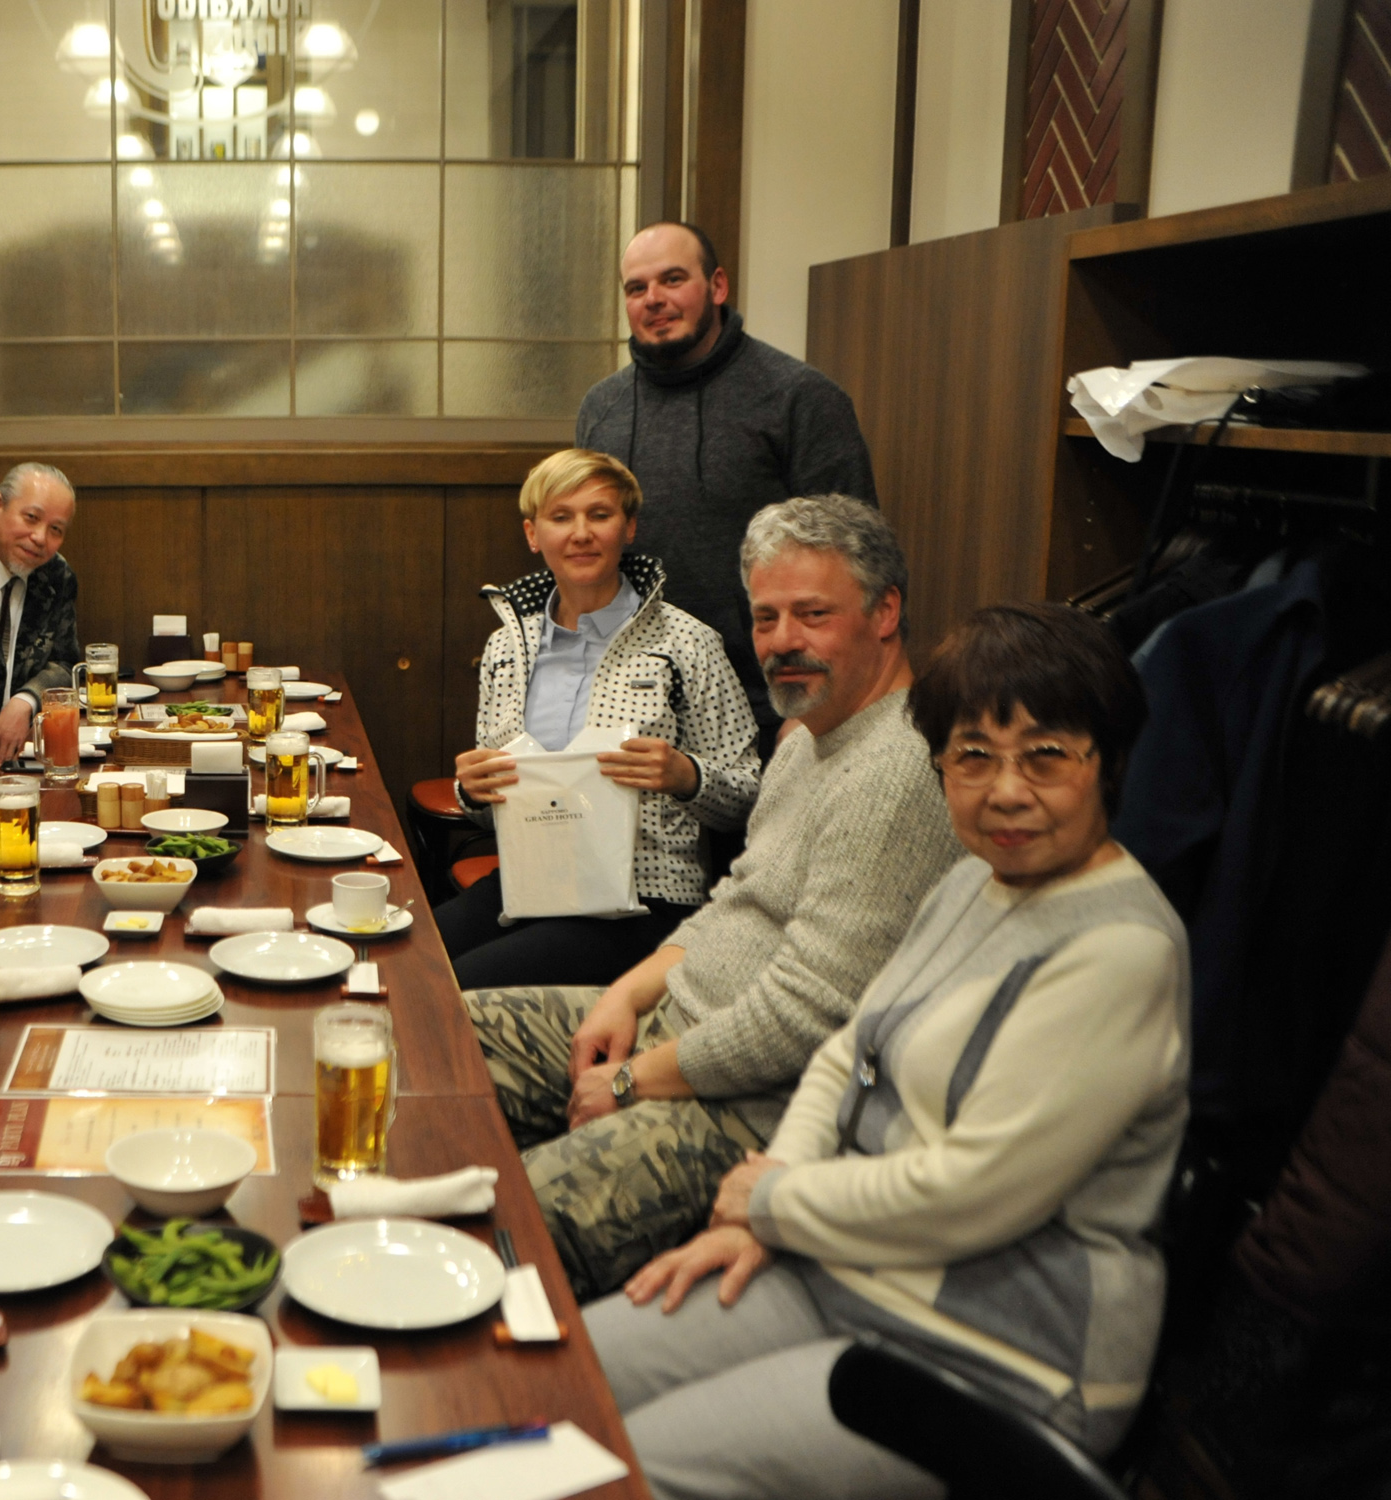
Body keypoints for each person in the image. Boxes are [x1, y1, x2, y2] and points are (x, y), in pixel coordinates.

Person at [583, 602, 1186, 1500]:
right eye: (973, 756)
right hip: (843, 1266)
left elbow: (972, 1192)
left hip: (994, 1359)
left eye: (1046, 755)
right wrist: (763, 1208)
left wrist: (774, 1200)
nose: (1006, 790)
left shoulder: (1121, 950)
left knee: (618, 1468)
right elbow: (848, 1051)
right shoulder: (972, 881)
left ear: (1110, 764)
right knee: (564, 1380)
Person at [467, 495, 963, 1300]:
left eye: (813, 614)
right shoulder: (808, 740)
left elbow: (811, 1013)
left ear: (885, 613)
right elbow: (736, 898)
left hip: (746, 1104)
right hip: (673, 1029)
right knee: (432, 1042)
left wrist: (632, 1081)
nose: (783, 641)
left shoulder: (898, 770)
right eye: (766, 618)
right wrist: (626, 995)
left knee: (498, 1234)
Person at [439, 448, 760, 991]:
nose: (581, 533)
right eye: (561, 517)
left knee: (458, 987)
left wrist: (686, 776)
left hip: (645, 900)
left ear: (629, 528)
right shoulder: (505, 649)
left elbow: (749, 797)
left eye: (600, 514)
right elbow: (494, 815)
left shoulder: (687, 643)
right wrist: (472, 793)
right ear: (533, 534)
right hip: (529, 884)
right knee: (408, 961)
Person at [578, 222, 877, 743]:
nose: (654, 299)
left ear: (717, 286)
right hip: (632, 701)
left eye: (673, 279)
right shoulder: (601, 408)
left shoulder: (799, 398)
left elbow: (857, 565)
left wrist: (812, 710)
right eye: (637, 287)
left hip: (771, 704)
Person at [0, 462, 80, 767]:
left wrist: (26, 700)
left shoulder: (56, 576)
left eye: (56, 529)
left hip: (22, 757)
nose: (40, 537)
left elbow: (65, 663)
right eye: (31, 518)